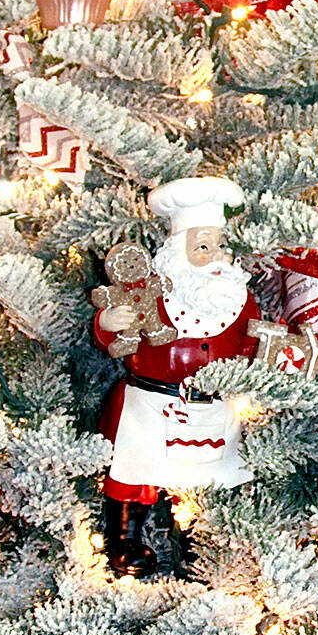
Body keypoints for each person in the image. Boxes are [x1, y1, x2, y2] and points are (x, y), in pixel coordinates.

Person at [95, 176, 255, 575]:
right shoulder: (151, 295)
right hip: (153, 402)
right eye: (202, 247)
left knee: (213, 479)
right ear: (176, 252)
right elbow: (115, 333)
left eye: (220, 246)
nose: (216, 257)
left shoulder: (238, 297)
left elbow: (254, 342)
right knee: (134, 471)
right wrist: (110, 322)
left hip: (218, 408)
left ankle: (202, 546)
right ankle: (125, 538)